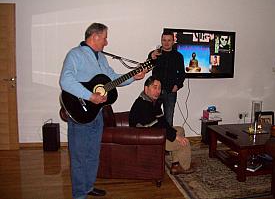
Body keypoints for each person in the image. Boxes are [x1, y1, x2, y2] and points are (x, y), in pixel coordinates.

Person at [59, 23, 146, 199]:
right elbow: (65, 81)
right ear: (95, 37)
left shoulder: (101, 58)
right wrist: (90, 96)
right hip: (79, 115)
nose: (106, 42)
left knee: (93, 154)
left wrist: (133, 77)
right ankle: (79, 194)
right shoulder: (75, 54)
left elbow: (112, 79)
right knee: (79, 157)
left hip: (96, 114)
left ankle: (88, 186)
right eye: (105, 37)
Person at [129, 76, 194, 175]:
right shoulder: (142, 104)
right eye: (154, 87)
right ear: (146, 89)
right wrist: (175, 137)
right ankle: (185, 167)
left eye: (159, 88)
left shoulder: (153, 102)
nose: (158, 91)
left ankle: (176, 165)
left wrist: (175, 134)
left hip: (155, 133)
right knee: (184, 142)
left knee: (179, 130)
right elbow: (155, 126)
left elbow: (162, 121)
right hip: (147, 138)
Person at [149, 31, 185, 126]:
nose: (166, 42)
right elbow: (147, 66)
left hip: (170, 92)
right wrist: (151, 57)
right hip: (155, 91)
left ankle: (167, 140)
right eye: (164, 40)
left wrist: (177, 85)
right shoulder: (155, 54)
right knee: (152, 118)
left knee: (168, 119)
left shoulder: (178, 56)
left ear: (173, 41)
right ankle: (155, 139)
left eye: (169, 40)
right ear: (161, 41)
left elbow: (182, 74)